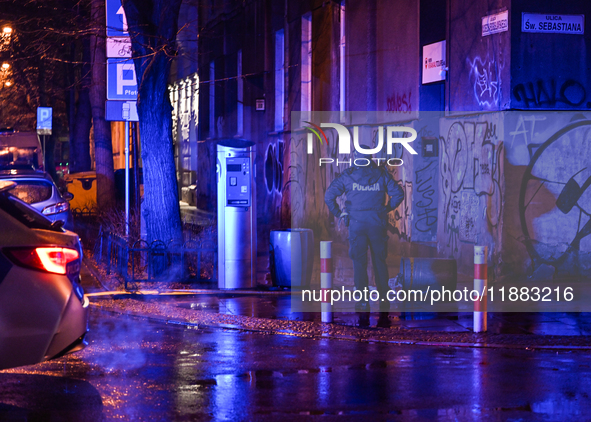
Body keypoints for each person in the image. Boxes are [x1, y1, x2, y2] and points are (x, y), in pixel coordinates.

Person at [324, 148, 404, 313]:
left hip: (356, 225)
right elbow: (398, 194)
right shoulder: (381, 174)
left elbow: (329, 196)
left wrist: (340, 213)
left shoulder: (348, 175)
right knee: (380, 262)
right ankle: (383, 300)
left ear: (356, 158)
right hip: (377, 224)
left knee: (359, 264)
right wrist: (385, 209)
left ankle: (362, 302)